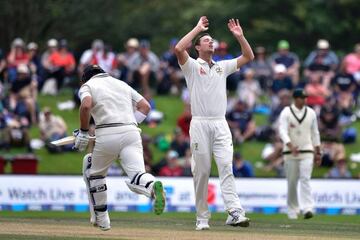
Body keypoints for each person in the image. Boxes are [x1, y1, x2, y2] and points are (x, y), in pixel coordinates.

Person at [174, 16, 254, 230]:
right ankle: (202, 218)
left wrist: (240, 36)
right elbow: (179, 48)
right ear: (198, 47)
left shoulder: (223, 67)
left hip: (220, 124)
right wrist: (197, 28)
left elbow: (248, 56)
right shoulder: (191, 66)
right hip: (200, 124)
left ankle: (235, 211)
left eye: (212, 39)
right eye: (206, 40)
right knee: (201, 171)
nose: (211, 41)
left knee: (227, 166)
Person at [75, 65, 165, 231]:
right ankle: (153, 186)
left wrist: (83, 131)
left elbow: (86, 105)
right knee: (138, 174)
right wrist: (129, 124)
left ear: (86, 78)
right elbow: (145, 106)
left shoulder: (87, 86)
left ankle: (102, 219)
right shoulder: (121, 84)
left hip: (107, 133)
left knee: (94, 173)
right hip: (131, 132)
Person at [278, 88, 322, 220]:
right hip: (290, 152)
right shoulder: (286, 112)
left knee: (305, 178)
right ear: (295, 99)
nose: (304, 100)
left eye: (305, 98)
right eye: (301, 98)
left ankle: (307, 208)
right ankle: (292, 209)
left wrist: (318, 151)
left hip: (307, 150)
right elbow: (282, 130)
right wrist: (290, 145)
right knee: (292, 181)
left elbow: (315, 133)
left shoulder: (311, 113)